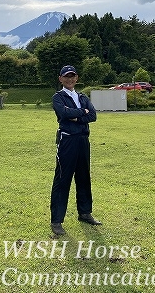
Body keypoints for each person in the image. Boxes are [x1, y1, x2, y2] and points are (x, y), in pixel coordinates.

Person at [50, 65, 102, 235]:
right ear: (61, 79)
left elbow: (92, 116)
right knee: (62, 179)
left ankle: (85, 212)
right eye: (66, 76)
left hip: (82, 141)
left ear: (77, 78)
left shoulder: (82, 96)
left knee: (84, 177)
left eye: (72, 76)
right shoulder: (58, 97)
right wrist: (82, 112)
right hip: (67, 141)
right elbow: (63, 114)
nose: (70, 79)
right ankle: (56, 221)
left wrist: (75, 115)